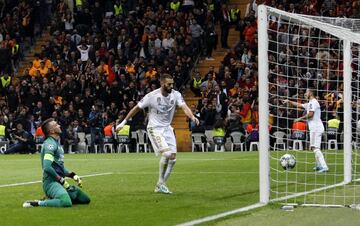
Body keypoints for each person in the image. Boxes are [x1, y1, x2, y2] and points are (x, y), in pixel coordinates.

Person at [116, 74, 199, 194]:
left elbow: (184, 106)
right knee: (167, 154)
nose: (171, 86)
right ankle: (160, 183)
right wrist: (123, 122)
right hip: (154, 128)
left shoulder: (176, 95)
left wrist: (192, 116)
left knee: (173, 158)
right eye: (169, 84)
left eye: (172, 84)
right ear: (162, 83)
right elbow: (136, 108)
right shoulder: (151, 96)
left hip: (167, 128)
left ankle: (160, 185)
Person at [23, 118, 90, 208]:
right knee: (66, 202)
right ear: (52, 131)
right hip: (51, 183)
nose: (59, 125)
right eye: (56, 125)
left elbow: (59, 167)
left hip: (59, 182)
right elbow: (47, 167)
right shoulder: (49, 145)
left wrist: (73, 175)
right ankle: (37, 203)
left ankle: (53, 198)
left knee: (85, 199)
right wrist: (61, 180)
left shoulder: (56, 143)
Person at [283, 89, 329, 172]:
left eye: (307, 92)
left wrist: (299, 119)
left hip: (315, 128)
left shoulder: (313, 102)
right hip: (316, 127)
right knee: (314, 147)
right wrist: (289, 101)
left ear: (311, 93)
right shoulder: (311, 103)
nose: (305, 93)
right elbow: (300, 105)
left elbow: (311, 115)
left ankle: (324, 166)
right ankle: (319, 165)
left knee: (315, 148)